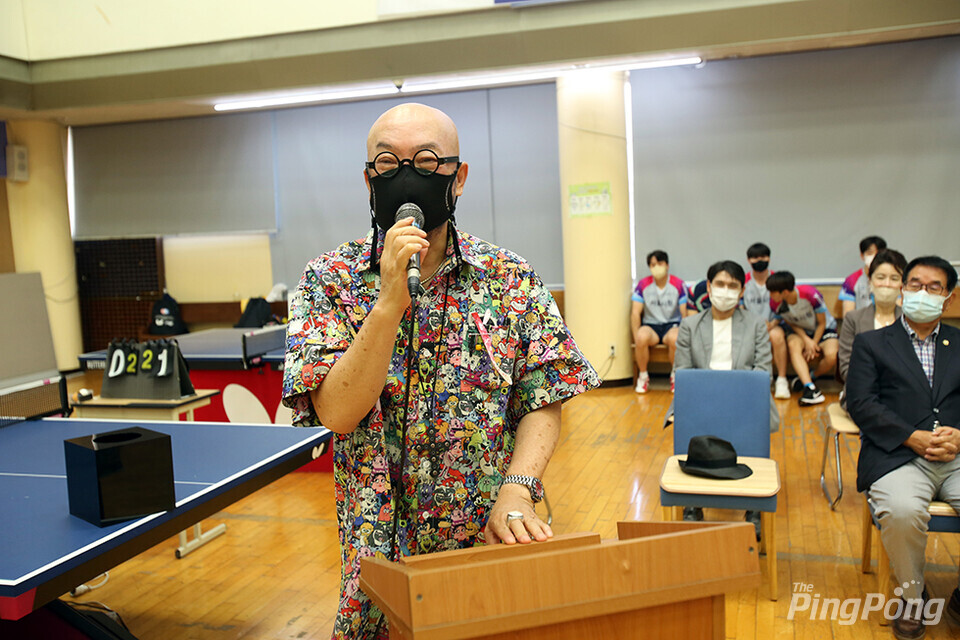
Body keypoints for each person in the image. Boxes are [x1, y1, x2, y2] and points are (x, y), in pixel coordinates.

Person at [281, 103, 600, 640]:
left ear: (459, 176)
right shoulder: (326, 281)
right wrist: (387, 303)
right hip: (376, 556)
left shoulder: (510, 278)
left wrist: (520, 487)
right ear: (368, 182)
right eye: (388, 164)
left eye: (427, 162)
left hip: (487, 540)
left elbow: (544, 395)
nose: (407, 176)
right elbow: (336, 413)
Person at [847, 255, 960, 639]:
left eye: (933, 287)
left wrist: (959, 434)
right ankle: (913, 597)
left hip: (956, 455)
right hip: (898, 455)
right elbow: (861, 403)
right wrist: (911, 436)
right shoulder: (871, 344)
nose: (921, 293)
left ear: (948, 298)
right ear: (901, 289)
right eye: (914, 284)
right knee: (900, 509)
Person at [669, 260, 779, 533]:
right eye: (719, 284)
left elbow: (763, 373)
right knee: (687, 421)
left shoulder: (756, 325)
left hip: (745, 401)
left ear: (742, 291)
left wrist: (733, 398)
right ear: (708, 287)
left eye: (733, 286)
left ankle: (754, 504)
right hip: (700, 401)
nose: (725, 290)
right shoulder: (690, 326)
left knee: (753, 428)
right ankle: (692, 502)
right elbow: (682, 372)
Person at [837, 248, 906, 405]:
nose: (887, 284)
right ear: (870, 280)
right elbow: (846, 369)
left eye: (894, 278)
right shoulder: (853, 319)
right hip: (863, 395)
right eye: (880, 277)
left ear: (903, 284)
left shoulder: (910, 321)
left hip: (904, 396)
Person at [765, 271, 839, 406]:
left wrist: (813, 343)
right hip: (800, 332)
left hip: (823, 329)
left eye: (772, 292)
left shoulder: (810, 295)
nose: (770, 295)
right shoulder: (776, 303)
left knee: (832, 355)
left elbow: (822, 323)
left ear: (785, 292)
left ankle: (811, 376)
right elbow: (790, 321)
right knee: (793, 345)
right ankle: (810, 388)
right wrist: (806, 339)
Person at [631, 250, 688, 393]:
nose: (656, 267)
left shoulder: (678, 284)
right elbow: (635, 312)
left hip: (672, 324)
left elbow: (684, 313)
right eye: (653, 264)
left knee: (675, 338)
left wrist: (686, 336)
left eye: (660, 263)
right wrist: (636, 337)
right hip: (651, 325)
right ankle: (643, 377)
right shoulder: (643, 285)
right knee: (641, 337)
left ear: (667, 265)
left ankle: (675, 376)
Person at [743, 242, 790, 399]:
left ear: (769, 258)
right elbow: (740, 307)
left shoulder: (777, 279)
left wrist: (772, 324)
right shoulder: (743, 281)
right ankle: (755, 382)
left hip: (773, 324)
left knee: (777, 336)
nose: (759, 260)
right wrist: (753, 324)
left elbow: (784, 307)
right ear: (749, 260)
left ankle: (781, 381)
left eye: (763, 256)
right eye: (755, 258)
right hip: (749, 325)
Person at [840, 235, 888, 316]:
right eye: (870, 253)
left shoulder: (893, 278)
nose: (875, 256)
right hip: (862, 325)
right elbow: (848, 315)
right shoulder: (852, 280)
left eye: (878, 253)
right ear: (862, 256)